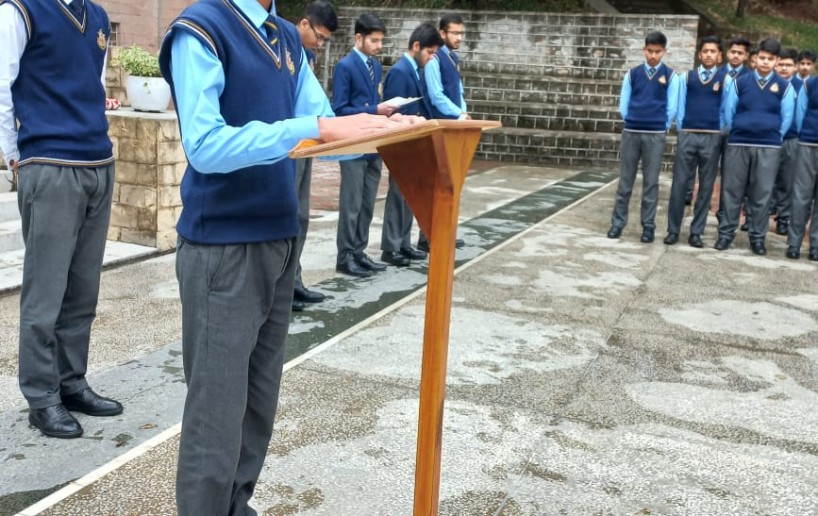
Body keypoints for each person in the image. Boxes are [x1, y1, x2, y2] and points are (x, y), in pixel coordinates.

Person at [158, 0, 407, 513]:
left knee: (258, 402)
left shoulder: (285, 36)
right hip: (223, 243)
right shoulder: (201, 28)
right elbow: (205, 145)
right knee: (216, 409)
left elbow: (322, 128)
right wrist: (311, 128)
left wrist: (372, 128)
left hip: (278, 235)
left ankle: (236, 504)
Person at [0, 0, 123, 439]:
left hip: (98, 162)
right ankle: (41, 397)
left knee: (83, 290)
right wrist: (14, 154)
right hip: (49, 162)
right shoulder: (21, 11)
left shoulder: (99, 17)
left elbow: (96, 84)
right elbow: (1, 85)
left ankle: (72, 382)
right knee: (45, 292)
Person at [716, 38, 795, 255]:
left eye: (770, 59)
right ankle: (725, 235)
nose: (765, 62)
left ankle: (757, 238)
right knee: (732, 191)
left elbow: (787, 117)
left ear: (776, 61)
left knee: (762, 194)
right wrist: (739, 129)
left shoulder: (785, 87)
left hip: (768, 147)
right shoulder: (740, 83)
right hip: (739, 143)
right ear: (755, 58)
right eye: (762, 57)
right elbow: (729, 112)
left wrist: (773, 135)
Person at [332, 12, 395, 278]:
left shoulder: (376, 66)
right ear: (359, 38)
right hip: (353, 143)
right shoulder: (344, 66)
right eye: (374, 40)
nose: (379, 46)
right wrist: (374, 110)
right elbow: (339, 109)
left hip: (373, 144)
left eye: (381, 40)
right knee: (352, 203)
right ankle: (345, 256)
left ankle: (359, 251)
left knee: (368, 201)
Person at [379, 22, 443, 267]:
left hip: (414, 143)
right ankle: (391, 246)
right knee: (399, 195)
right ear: (417, 46)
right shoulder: (400, 71)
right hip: (402, 144)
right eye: (429, 52)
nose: (431, 58)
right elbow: (393, 111)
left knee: (409, 196)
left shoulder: (415, 70)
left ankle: (403, 242)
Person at [606, 31, 679, 243]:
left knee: (651, 183)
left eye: (658, 52)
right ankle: (617, 224)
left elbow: (672, 108)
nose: (653, 55)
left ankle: (648, 226)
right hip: (632, 132)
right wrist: (633, 120)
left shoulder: (671, 76)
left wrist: (660, 125)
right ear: (644, 50)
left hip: (655, 134)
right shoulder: (632, 74)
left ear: (664, 52)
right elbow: (624, 105)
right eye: (650, 51)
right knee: (625, 181)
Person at [291, 0, 337, 311]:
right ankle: (284, 287)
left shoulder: (306, 53)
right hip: (289, 142)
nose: (320, 44)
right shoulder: (283, 47)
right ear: (304, 24)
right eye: (318, 36)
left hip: (308, 139)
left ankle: (294, 281)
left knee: (301, 215)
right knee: (288, 215)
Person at [664, 36, 725, 249]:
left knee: (706, 186)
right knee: (680, 183)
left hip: (712, 136)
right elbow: (680, 106)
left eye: (713, 51)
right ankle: (673, 230)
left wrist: (718, 129)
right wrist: (682, 129)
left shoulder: (726, 80)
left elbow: (726, 109)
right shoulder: (687, 78)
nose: (709, 55)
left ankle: (696, 232)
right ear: (700, 54)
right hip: (688, 134)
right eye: (705, 51)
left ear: (719, 56)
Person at [417, 12, 469, 252]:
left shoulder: (453, 58)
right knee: (436, 182)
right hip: (440, 127)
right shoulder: (435, 59)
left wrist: (463, 112)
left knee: (449, 183)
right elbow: (436, 96)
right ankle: (428, 235)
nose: (459, 37)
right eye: (455, 33)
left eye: (461, 33)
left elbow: (459, 90)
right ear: (442, 33)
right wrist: (458, 114)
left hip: (455, 127)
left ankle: (442, 231)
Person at [769, 48, 801, 236]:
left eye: (788, 65)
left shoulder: (801, 86)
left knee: (787, 181)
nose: (784, 68)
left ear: (795, 67)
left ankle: (783, 218)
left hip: (791, 139)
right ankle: (755, 217)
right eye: (781, 64)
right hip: (768, 138)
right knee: (763, 180)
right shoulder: (768, 83)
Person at [786, 73, 818, 260]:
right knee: (801, 196)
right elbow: (800, 113)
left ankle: (816, 245)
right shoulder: (810, 84)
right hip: (808, 144)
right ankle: (794, 243)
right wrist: (805, 134)